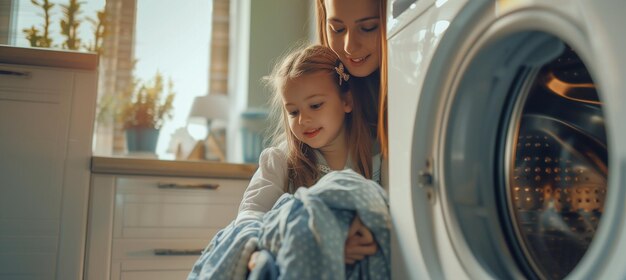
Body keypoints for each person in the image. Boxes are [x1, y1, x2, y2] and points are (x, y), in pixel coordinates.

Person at [238, 44, 382, 270]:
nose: (303, 120)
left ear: (347, 101)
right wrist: (256, 249)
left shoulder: (379, 156)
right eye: (293, 112)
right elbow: (250, 215)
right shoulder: (280, 160)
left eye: (315, 105)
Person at [316, 0, 389, 265]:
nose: (349, 46)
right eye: (336, 29)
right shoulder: (329, 93)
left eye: (368, 28)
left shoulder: (407, 95)